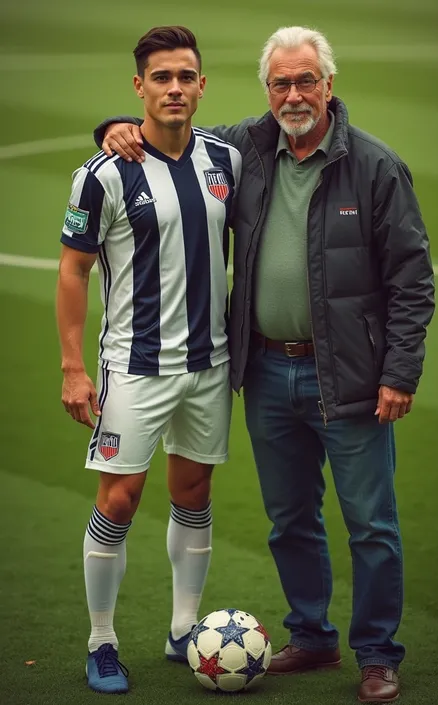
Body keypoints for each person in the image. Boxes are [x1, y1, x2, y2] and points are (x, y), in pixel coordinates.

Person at [93, 25, 435, 703]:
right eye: (281, 82)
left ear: (329, 84)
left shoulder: (374, 165)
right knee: (292, 518)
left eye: (307, 79)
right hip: (270, 374)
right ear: (266, 90)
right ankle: (310, 636)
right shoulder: (243, 148)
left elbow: (412, 277)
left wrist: (400, 370)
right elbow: (172, 127)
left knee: (370, 522)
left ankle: (376, 652)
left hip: (356, 377)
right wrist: (115, 125)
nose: (294, 93)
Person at [57, 25, 241, 694]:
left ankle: (184, 628)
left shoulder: (226, 159)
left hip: (210, 363)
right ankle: (102, 639)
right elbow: (73, 271)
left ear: (201, 84)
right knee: (121, 497)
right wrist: (74, 368)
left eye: (185, 76)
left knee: (193, 492)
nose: (174, 87)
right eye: (160, 77)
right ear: (140, 86)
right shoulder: (103, 174)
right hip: (132, 366)